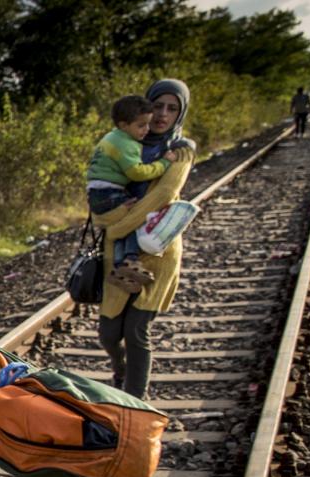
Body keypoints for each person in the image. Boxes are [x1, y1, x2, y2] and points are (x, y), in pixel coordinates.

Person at [93, 80, 194, 399]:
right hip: (118, 251)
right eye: (158, 105)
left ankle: (134, 401)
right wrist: (104, 217)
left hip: (157, 249)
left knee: (136, 331)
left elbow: (162, 195)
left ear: (181, 113)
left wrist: (117, 226)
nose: (163, 114)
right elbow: (99, 184)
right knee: (109, 332)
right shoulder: (125, 143)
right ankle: (120, 370)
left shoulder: (180, 150)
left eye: (172, 108)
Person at [86, 95, 177, 269]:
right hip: (109, 193)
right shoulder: (126, 144)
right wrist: (164, 163)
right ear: (123, 125)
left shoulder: (111, 137)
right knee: (135, 219)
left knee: (122, 227)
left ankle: (121, 265)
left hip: (96, 192)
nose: (146, 130)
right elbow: (137, 173)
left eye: (148, 124)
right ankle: (130, 259)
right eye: (141, 125)